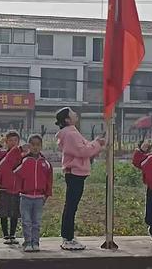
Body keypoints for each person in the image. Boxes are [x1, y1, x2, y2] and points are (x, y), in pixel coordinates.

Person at [55, 107, 105, 251]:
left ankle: (68, 236)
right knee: (71, 206)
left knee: (71, 206)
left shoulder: (72, 132)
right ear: (67, 119)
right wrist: (97, 144)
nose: (76, 114)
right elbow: (82, 151)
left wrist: (95, 143)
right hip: (75, 172)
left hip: (76, 172)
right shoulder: (70, 134)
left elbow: (85, 147)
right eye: (72, 113)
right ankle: (67, 238)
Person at [12, 134, 53, 253]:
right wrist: (18, 191)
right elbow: (16, 175)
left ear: (41, 146)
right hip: (25, 197)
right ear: (29, 146)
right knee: (26, 221)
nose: (35, 147)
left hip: (39, 198)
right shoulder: (24, 160)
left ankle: (36, 242)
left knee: (37, 222)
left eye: (38, 145)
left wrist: (46, 194)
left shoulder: (45, 163)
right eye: (33, 145)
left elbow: (49, 180)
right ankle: (27, 242)